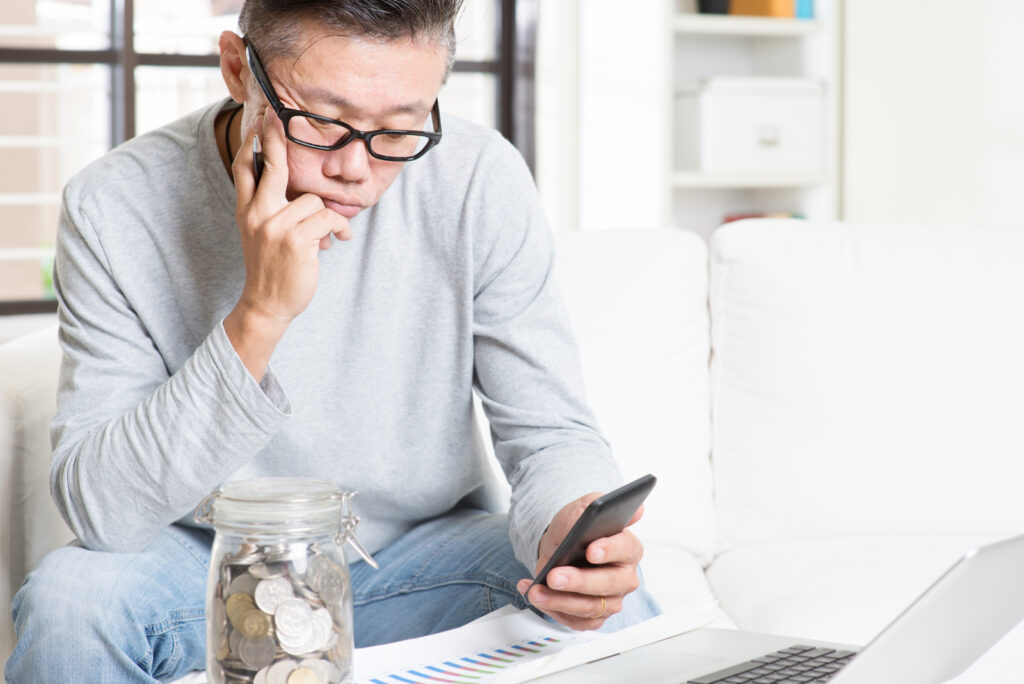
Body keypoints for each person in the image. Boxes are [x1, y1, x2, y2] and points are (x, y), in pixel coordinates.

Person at [4, 1, 659, 681]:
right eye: (321, 121)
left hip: (423, 562)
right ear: (237, 68)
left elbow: (551, 433)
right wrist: (259, 314)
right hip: (208, 565)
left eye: (401, 127)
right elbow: (103, 512)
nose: (358, 170)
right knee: (70, 605)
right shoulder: (113, 204)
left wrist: (570, 521)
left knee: (619, 606)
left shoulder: (478, 178)